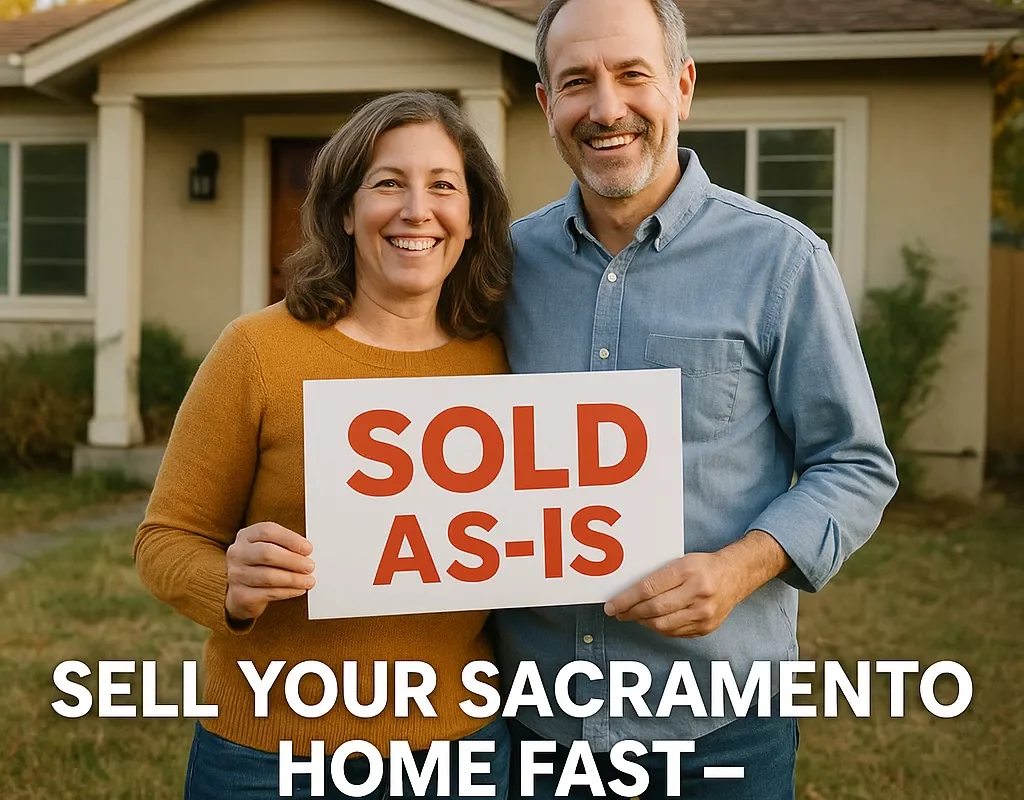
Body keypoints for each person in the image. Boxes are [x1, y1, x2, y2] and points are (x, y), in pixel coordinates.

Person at [494, 0, 899, 797]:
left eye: (632, 74)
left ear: (681, 86)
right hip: (533, 722)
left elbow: (853, 465)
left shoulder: (781, 261)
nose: (605, 108)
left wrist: (743, 566)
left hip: (722, 728)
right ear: (546, 105)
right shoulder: (500, 270)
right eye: (576, 81)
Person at [134, 91, 514, 800]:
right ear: (344, 210)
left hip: (461, 751)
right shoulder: (256, 351)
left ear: (472, 218)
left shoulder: (501, 363)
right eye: (388, 183)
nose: (416, 210)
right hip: (267, 759)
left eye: (443, 186)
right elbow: (165, 540)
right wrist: (231, 586)